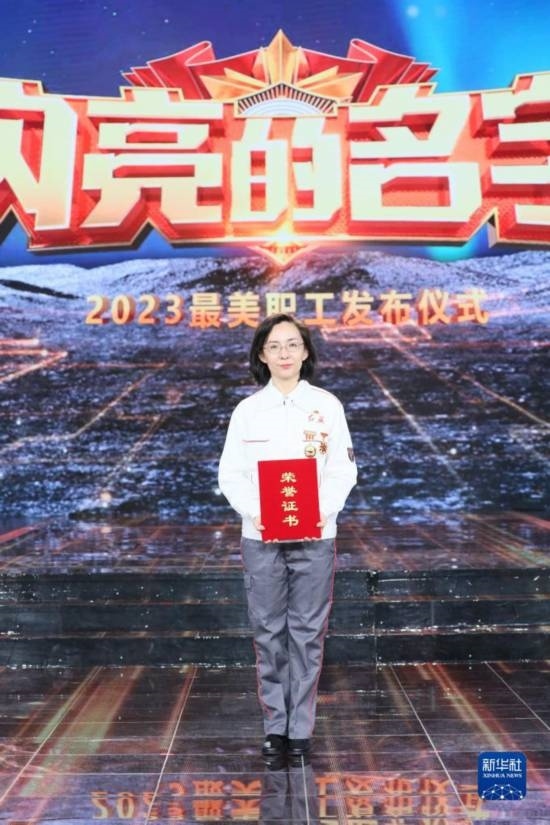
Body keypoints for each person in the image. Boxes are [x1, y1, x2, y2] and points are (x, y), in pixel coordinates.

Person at [218, 314, 356, 768]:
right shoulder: (247, 411)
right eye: (274, 346)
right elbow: (230, 475)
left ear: (305, 352)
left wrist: (321, 511)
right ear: (262, 354)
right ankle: (275, 727)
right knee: (269, 631)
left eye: (292, 345)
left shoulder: (327, 406)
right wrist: (256, 512)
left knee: (307, 633)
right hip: (261, 536)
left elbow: (343, 470)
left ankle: (301, 730)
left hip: (315, 535)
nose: (284, 354)